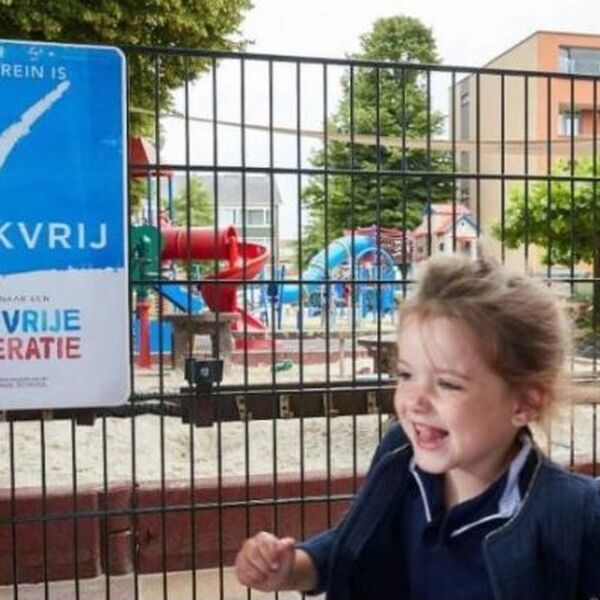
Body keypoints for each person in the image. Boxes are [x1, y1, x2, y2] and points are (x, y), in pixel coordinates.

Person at [235, 255, 600, 599]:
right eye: (406, 375)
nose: (415, 401)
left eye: (448, 383)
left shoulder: (571, 513)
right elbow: (358, 544)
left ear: (525, 403)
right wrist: (296, 567)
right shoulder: (400, 457)